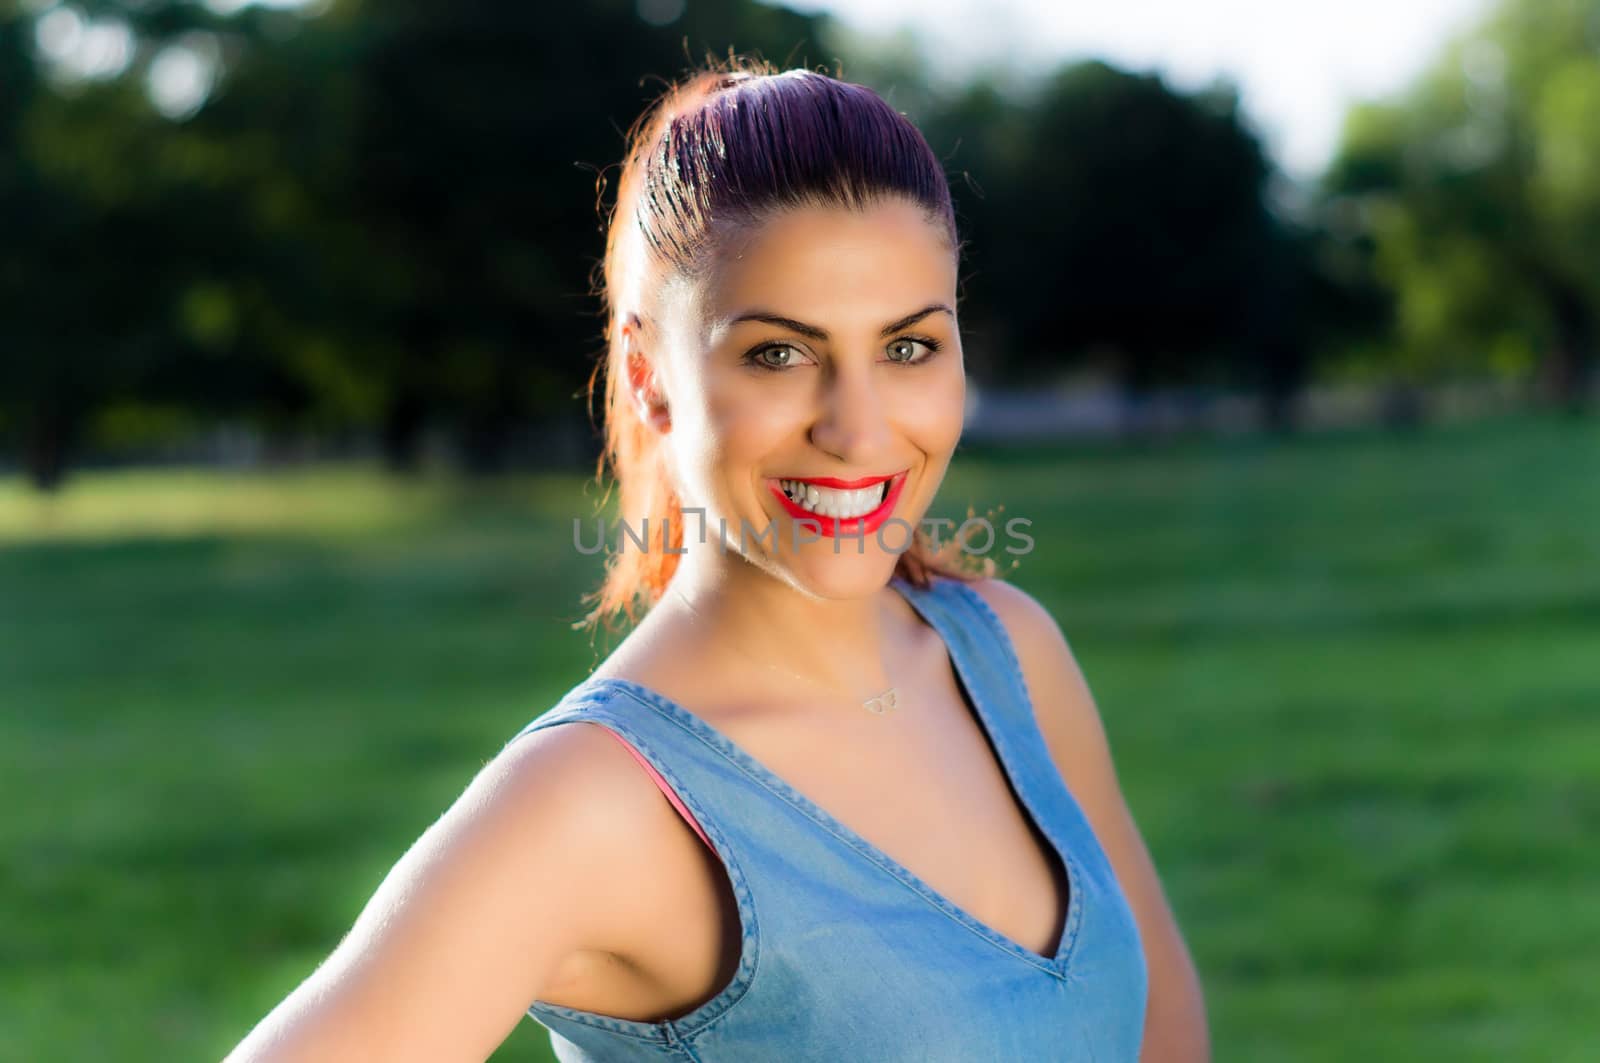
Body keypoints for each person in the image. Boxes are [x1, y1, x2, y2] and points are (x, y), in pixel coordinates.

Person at [225, 58, 1210, 1062]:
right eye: (778, 353)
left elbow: (1166, 1039)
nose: (858, 432)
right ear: (651, 377)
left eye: (909, 347)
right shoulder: (592, 801)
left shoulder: (1010, 652)